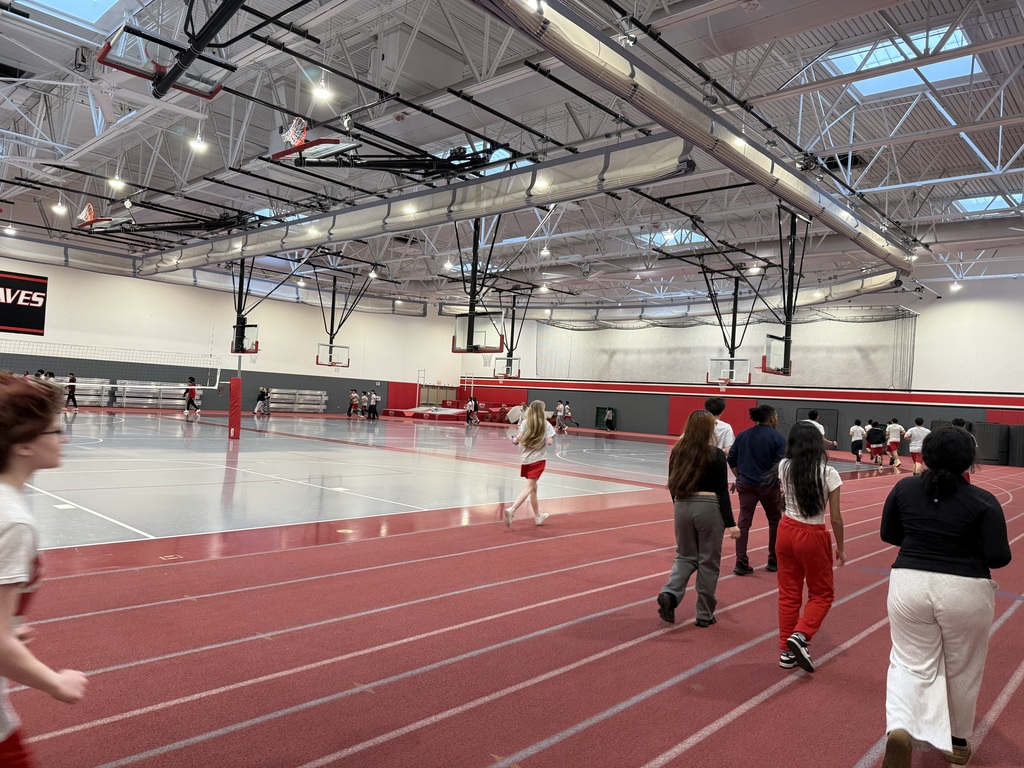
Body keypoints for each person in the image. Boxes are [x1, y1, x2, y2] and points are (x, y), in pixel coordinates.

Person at [879, 427, 1011, 768]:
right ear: (970, 461)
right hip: (965, 589)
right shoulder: (984, 501)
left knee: (908, 662)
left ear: (926, 454)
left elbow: (889, 534)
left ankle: (901, 726)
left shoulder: (904, 487)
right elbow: (999, 557)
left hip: (908, 583)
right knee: (963, 668)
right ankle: (957, 741)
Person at [0, 375, 89, 762]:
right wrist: (58, 684)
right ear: (22, 445)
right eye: (55, 430)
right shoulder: (12, 520)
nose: (63, 438)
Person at [656, 410, 740, 628]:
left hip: (682, 505)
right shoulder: (716, 454)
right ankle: (704, 614)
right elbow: (722, 491)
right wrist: (730, 523)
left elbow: (671, 484)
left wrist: (679, 508)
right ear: (709, 430)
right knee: (708, 562)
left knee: (684, 556)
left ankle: (670, 593)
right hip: (709, 507)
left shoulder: (678, 451)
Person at [773, 422, 845, 673]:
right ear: (818, 443)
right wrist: (841, 547)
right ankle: (801, 635)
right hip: (812, 535)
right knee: (822, 594)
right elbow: (835, 517)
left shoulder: (783, 466)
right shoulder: (829, 473)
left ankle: (785, 651)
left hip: (785, 531)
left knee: (789, 593)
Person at [727, 405, 786, 575]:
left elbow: (731, 458)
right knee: (775, 520)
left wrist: (740, 476)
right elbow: (781, 464)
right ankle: (773, 559)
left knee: (744, 522)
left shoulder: (743, 435)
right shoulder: (778, 438)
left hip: (746, 483)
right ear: (772, 418)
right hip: (768, 486)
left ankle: (740, 561)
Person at [504, 400, 555, 527]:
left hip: (525, 459)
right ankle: (512, 509)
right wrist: (548, 439)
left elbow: (518, 438)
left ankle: (538, 516)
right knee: (529, 487)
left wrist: (514, 440)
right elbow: (549, 442)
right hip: (538, 459)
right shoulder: (546, 424)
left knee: (533, 488)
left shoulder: (526, 422)